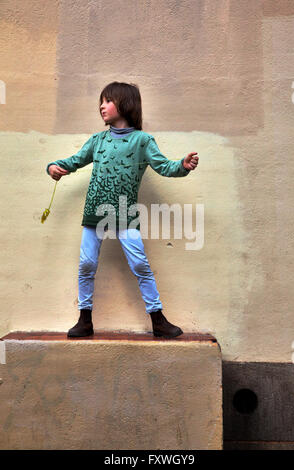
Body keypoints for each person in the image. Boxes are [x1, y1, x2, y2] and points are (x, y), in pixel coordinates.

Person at [46, 81, 198, 339]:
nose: (102, 107)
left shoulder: (142, 141)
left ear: (125, 104)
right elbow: (74, 161)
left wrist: (182, 165)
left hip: (125, 214)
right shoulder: (98, 141)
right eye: (101, 102)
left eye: (107, 101)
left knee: (139, 263)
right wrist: (53, 167)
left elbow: (164, 167)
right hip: (95, 212)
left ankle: (158, 321)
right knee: (86, 264)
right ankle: (84, 321)